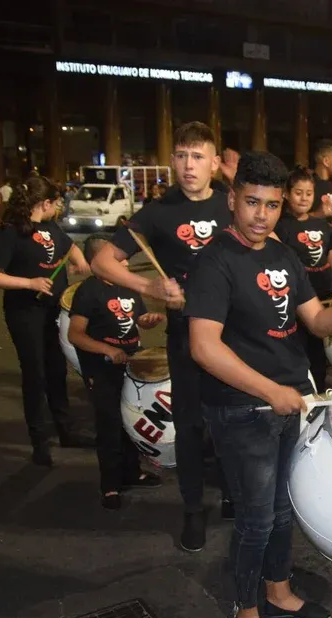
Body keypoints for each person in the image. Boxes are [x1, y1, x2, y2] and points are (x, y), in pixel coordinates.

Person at [185, 151, 332, 618]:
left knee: (281, 510)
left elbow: (315, 321)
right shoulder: (214, 261)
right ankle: (245, 614)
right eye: (252, 202)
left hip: (290, 403)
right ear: (232, 199)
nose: (261, 215)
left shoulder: (283, 254)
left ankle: (279, 592)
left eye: (271, 205)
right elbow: (203, 347)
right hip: (241, 410)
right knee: (255, 518)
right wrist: (269, 391)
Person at [91, 121, 237, 552]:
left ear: (214, 162)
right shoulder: (157, 212)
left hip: (234, 333)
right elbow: (102, 261)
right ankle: (192, 509)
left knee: (233, 416)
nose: (189, 165)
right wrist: (150, 287)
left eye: (198, 156)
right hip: (185, 335)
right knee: (189, 425)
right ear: (172, 160)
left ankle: (233, 491)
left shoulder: (232, 204)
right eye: (182, 156)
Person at [0, 176, 92, 466]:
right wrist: (29, 283)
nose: (59, 207)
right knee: (35, 375)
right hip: (25, 312)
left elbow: (69, 247)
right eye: (56, 202)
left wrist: (79, 260)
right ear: (44, 203)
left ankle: (66, 431)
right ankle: (39, 441)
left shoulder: (51, 226)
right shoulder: (10, 232)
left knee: (57, 371)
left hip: (53, 310)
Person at [66, 235, 165, 509]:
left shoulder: (127, 287)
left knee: (131, 420)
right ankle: (110, 485)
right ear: (99, 262)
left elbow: (137, 320)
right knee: (109, 425)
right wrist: (107, 349)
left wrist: (148, 320)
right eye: (119, 260)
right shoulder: (88, 292)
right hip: (101, 369)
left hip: (130, 364)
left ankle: (132, 472)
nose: (126, 264)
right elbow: (75, 334)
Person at [275, 166, 332, 393]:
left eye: (308, 193)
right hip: (295, 305)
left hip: (324, 299)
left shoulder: (322, 225)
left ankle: (319, 398)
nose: (304, 198)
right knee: (297, 357)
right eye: (298, 192)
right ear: (286, 194)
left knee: (320, 359)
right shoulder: (279, 227)